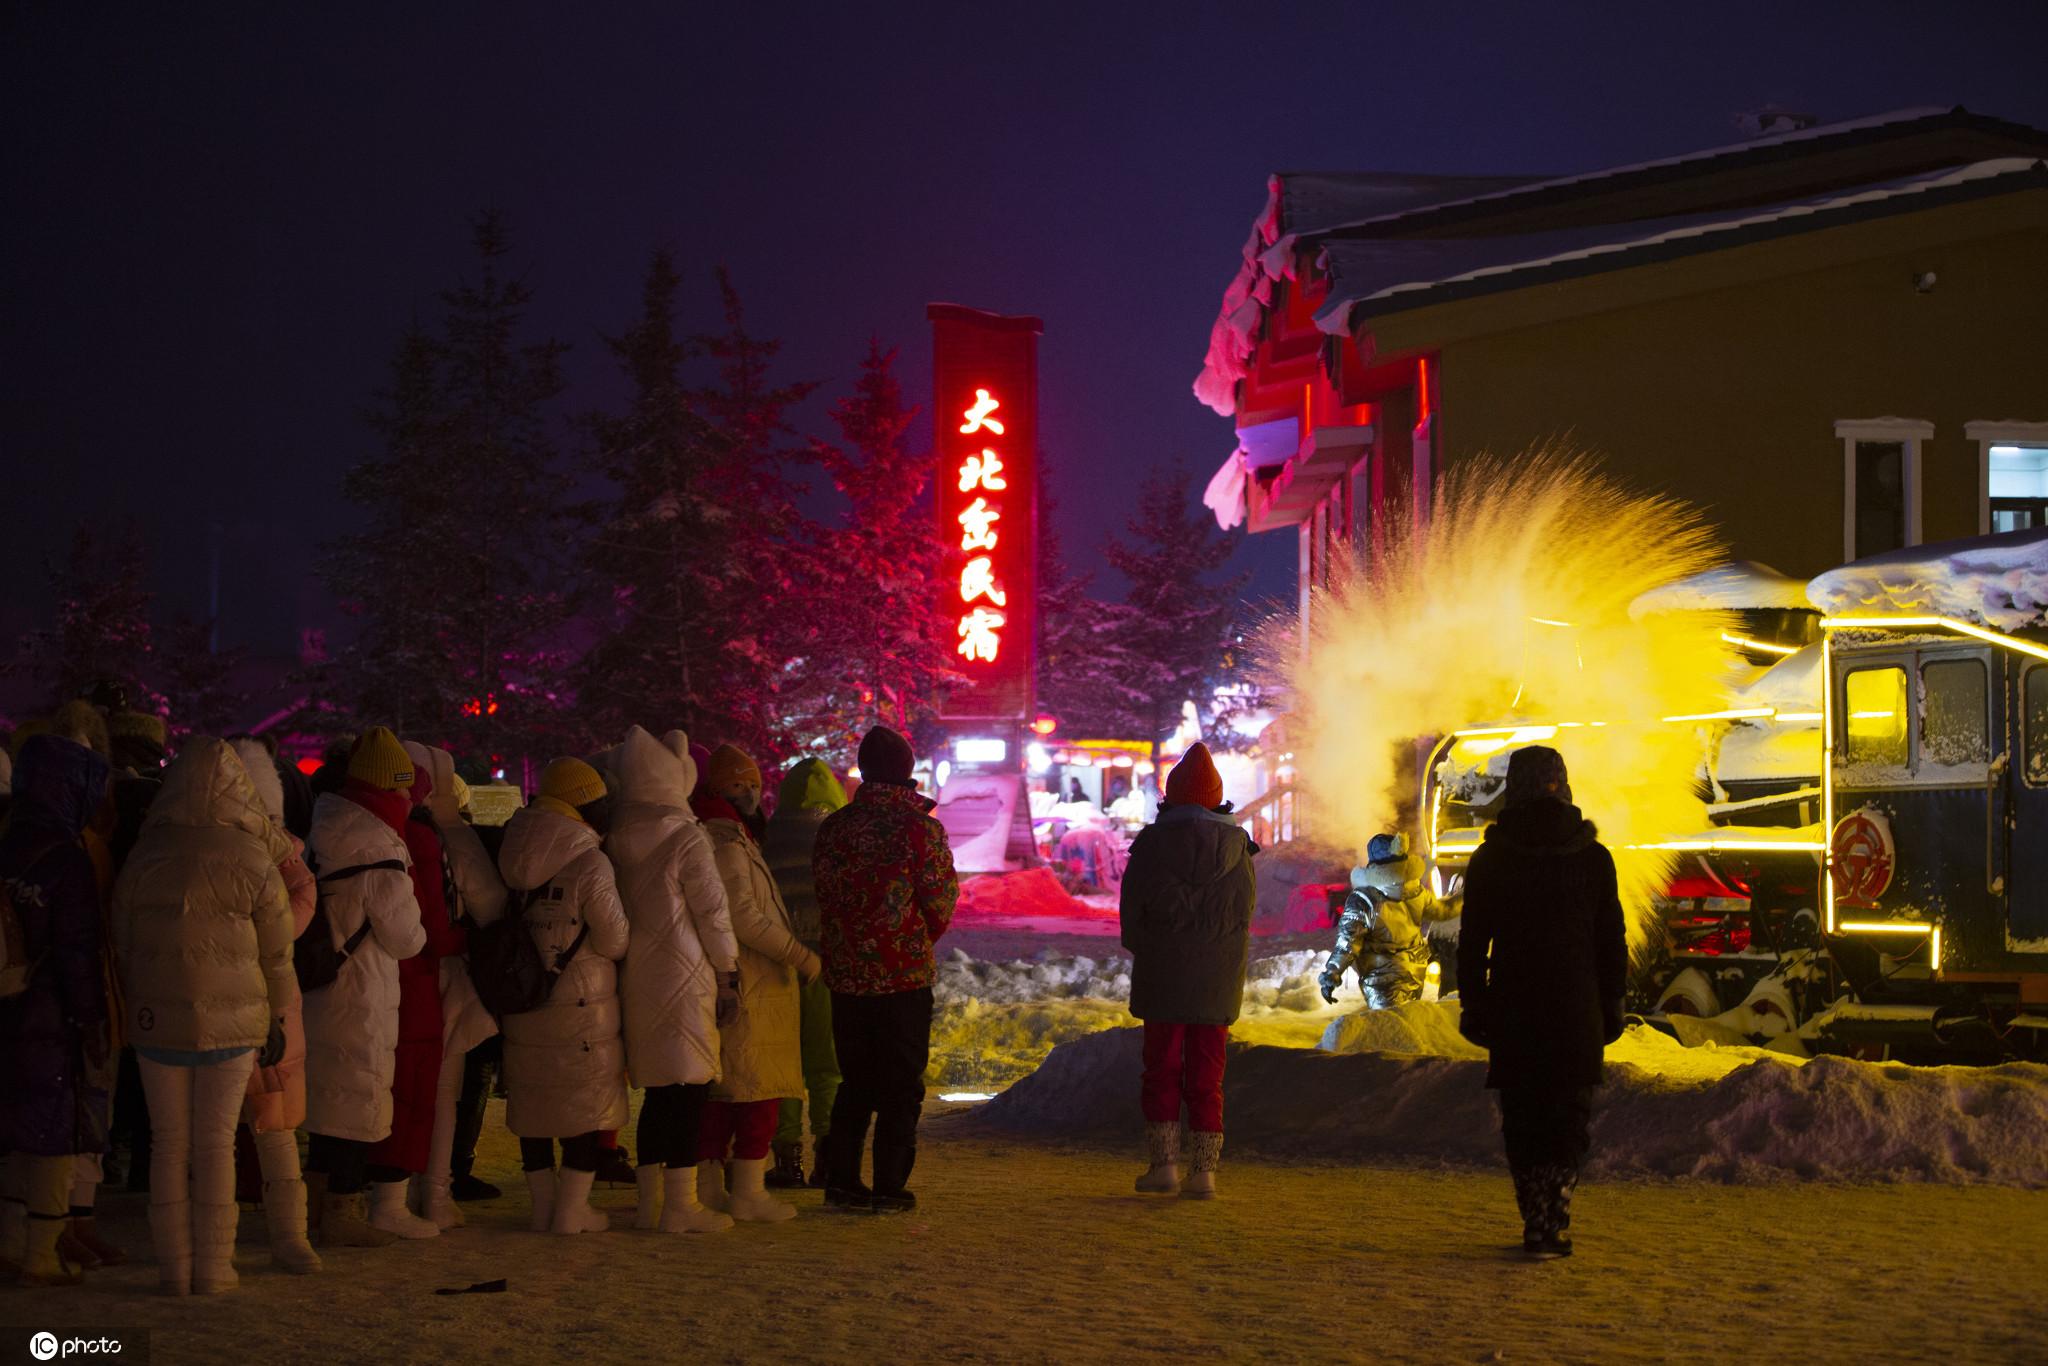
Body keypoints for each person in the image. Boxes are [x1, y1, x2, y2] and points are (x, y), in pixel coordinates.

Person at [113, 738, 298, 1294]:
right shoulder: (251, 858)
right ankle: (215, 1266)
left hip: (156, 1022)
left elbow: (122, 943)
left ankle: (174, 1265)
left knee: (168, 1142)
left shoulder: (146, 854)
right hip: (235, 1022)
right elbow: (277, 952)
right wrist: (278, 1012)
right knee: (217, 1142)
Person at [1456, 745, 1627, 1260]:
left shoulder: (1492, 856)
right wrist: (1612, 1001)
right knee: (1567, 1116)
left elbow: (1472, 942)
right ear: (1563, 784)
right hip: (1577, 1008)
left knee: (1524, 1116)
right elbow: (1611, 940)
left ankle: (1535, 1215)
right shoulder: (1593, 857)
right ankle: (1556, 1212)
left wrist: (1475, 1003)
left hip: (1514, 1006)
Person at [813, 726, 957, 1214]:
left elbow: (825, 900)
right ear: (907, 772)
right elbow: (940, 900)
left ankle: (843, 1180)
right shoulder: (920, 830)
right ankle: (889, 1186)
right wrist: (909, 941)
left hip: (846, 977)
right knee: (900, 1084)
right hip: (903, 976)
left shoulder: (835, 828)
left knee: (854, 1081)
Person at [301, 728, 428, 1248]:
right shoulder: (380, 850)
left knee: (326, 1100)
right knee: (356, 1102)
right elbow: (407, 939)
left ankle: (309, 1208)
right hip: (361, 994)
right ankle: (342, 1214)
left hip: (321, 986)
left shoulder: (323, 829)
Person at [609, 727, 737, 1233]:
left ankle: (648, 1203)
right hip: (686, 975)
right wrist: (728, 970)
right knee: (687, 1089)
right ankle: (680, 1206)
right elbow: (712, 911)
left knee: (659, 1092)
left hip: (637, 974)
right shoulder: (686, 835)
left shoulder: (615, 834)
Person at [496, 757, 629, 1236]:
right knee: (583, 1104)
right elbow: (614, 939)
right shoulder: (590, 860)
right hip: (579, 1005)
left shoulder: (510, 851)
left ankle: (542, 1208)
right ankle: (572, 1210)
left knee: (533, 1102)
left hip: (525, 998)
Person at [1118, 742, 1256, 1199]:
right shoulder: (1239, 850)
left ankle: (1164, 1166)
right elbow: (1244, 917)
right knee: (1206, 1075)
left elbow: (1131, 919)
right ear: (1217, 797)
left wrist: (1154, 951)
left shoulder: (1152, 846)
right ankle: (1204, 1173)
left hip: (1162, 977)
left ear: (1171, 796)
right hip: (1217, 982)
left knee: (1161, 1070)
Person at [0, 736, 113, 1287]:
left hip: (5, 1004)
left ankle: (9, 1239)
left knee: (9, 1130)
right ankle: (41, 1253)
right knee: (50, 1132)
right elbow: (76, 948)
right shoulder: (64, 858)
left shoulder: (4, 840)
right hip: (45, 1014)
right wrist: (91, 1019)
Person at [691, 744, 817, 1224]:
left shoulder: (733, 834)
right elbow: (743, 916)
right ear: (714, 787)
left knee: (730, 1092)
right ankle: (747, 1191)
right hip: (752, 980)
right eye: (736, 784)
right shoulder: (725, 840)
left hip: (743, 979)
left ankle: (713, 1188)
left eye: (753, 784)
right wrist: (799, 956)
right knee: (754, 1092)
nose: (748, 793)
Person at [358, 750, 465, 1238]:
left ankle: (353, 1196)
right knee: (413, 1089)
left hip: (371, 978)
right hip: (415, 979)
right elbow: (432, 929)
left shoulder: (348, 826)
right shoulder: (415, 836)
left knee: (377, 1084)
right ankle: (392, 1201)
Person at [227, 737, 322, 1274]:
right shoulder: (283, 857)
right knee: (274, 1123)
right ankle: (288, 1237)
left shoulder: (186, 847)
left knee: (232, 1128)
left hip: (249, 1002)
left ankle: (273, 1235)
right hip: (270, 999)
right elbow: (297, 912)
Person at [404, 741, 506, 1230]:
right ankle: (437, 1192)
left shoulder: (374, 828)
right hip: (445, 973)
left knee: (398, 1088)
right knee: (443, 1091)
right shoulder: (453, 836)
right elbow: (489, 904)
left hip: (393, 972)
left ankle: (395, 1188)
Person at [761, 758, 848, 1188]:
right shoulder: (842, 840)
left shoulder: (765, 840)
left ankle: (787, 1160)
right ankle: (829, 1159)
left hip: (778, 969)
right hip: (829, 970)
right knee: (828, 1068)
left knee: (785, 1067)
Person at [1318, 833, 1442, 1010]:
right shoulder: (1417, 892)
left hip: (1380, 979)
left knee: (1389, 1028)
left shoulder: (1363, 900)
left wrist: (1332, 974)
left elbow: (1348, 943)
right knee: (1407, 1022)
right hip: (1414, 974)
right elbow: (1444, 911)